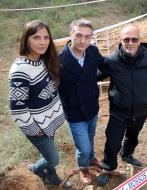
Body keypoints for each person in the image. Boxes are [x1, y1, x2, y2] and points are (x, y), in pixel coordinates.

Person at [95, 25, 147, 186]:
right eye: (126, 39)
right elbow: (94, 77)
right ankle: (108, 167)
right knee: (112, 142)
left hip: (140, 111)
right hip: (119, 112)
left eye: (134, 39)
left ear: (140, 41)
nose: (130, 43)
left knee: (132, 137)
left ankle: (127, 154)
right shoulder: (112, 61)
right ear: (121, 41)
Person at [8, 20, 71, 188]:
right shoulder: (20, 70)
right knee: (53, 158)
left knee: (48, 153)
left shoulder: (43, 60)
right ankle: (36, 169)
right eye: (36, 37)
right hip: (37, 127)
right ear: (26, 39)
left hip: (48, 120)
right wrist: (35, 129)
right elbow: (17, 109)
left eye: (46, 37)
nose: (42, 42)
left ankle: (52, 177)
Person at [58, 19, 104, 185]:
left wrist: (93, 80)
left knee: (90, 137)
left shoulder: (92, 52)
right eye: (79, 35)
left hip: (92, 107)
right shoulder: (59, 61)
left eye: (87, 36)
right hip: (75, 113)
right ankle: (83, 168)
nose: (83, 40)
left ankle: (91, 159)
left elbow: (105, 67)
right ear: (71, 35)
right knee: (83, 147)